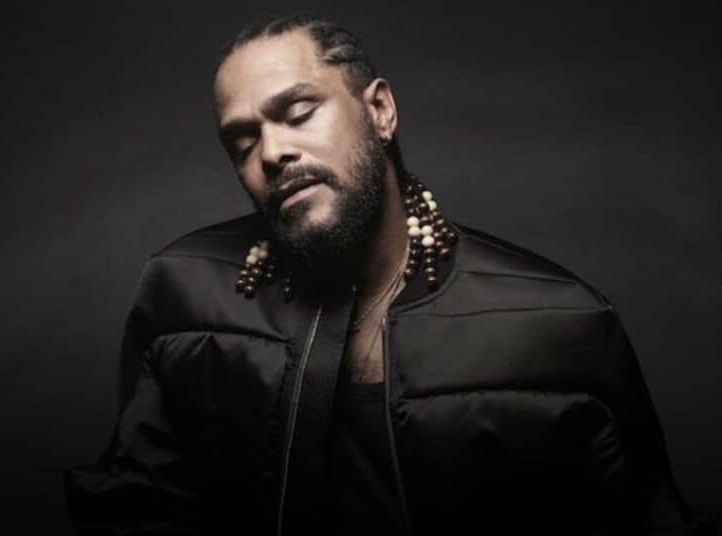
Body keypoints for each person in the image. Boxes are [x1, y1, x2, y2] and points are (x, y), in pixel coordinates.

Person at [65, 13, 714, 535]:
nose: (272, 152)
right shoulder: (186, 295)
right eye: (242, 142)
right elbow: (138, 510)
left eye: (298, 113)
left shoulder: (559, 324)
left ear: (379, 111)